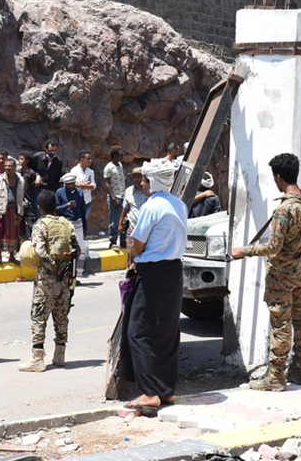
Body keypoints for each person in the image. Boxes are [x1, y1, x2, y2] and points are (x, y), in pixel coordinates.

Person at [232, 153, 301, 391]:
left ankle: (276, 376)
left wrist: (244, 250)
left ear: (278, 177)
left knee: (281, 324)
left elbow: (273, 247)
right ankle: (300, 369)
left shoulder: (284, 210)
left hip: (282, 276)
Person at [121, 158, 187, 417]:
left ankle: (149, 393)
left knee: (138, 331)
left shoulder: (152, 206)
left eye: (146, 180)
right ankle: (166, 389)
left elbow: (137, 245)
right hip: (173, 271)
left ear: (155, 181)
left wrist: (130, 245)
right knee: (167, 331)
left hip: (153, 274)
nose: (143, 184)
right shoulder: (178, 204)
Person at [18, 190, 80, 372]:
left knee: (38, 316)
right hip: (66, 279)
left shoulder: (40, 225)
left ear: (40, 208)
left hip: (47, 279)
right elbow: (77, 249)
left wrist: (52, 268)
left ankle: (37, 358)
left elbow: (39, 250)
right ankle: (60, 354)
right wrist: (65, 269)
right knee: (61, 316)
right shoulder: (66, 223)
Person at [0, 157, 24, 264]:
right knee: (0, 232)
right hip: (2, 211)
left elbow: (21, 195)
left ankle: (11, 256)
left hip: (15, 210)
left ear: (15, 167)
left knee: (13, 233)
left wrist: (20, 213)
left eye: (10, 166)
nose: (8, 168)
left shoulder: (20, 180)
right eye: (6, 166)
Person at [55, 173, 87, 276]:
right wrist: (66, 206)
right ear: (65, 184)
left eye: (72, 184)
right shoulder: (59, 193)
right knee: (66, 249)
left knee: (80, 249)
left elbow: (83, 211)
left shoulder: (80, 193)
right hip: (65, 223)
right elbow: (56, 209)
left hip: (78, 223)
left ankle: (77, 274)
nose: (70, 186)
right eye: (68, 184)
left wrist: (85, 227)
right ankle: (65, 273)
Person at [118, 167, 149, 267]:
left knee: (145, 255)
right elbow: (125, 208)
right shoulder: (129, 191)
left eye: (139, 177)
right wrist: (120, 223)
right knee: (132, 254)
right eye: (134, 177)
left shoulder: (149, 191)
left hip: (146, 230)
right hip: (132, 228)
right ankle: (132, 277)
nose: (136, 179)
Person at [31, 139, 63, 217]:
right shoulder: (37, 157)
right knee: (38, 213)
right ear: (45, 149)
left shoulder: (58, 161)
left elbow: (57, 178)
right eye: (50, 150)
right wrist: (37, 175)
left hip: (50, 191)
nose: (52, 153)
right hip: (38, 190)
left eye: (55, 150)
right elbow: (29, 170)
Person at [103, 146, 127, 249]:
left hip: (123, 196)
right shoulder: (109, 167)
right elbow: (106, 183)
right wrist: (113, 198)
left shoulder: (120, 165)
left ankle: (123, 240)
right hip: (115, 197)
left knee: (124, 220)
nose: (122, 156)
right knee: (114, 221)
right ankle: (113, 241)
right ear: (114, 155)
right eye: (120, 154)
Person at [70, 151, 95, 237]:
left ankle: (83, 236)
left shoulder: (90, 172)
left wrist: (82, 185)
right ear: (82, 159)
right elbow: (73, 184)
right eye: (88, 159)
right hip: (77, 200)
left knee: (85, 219)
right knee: (76, 219)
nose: (90, 161)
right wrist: (85, 185)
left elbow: (93, 185)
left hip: (87, 200)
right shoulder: (74, 171)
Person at [17, 152, 38, 240]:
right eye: (19, 159)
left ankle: (35, 240)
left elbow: (33, 186)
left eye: (22, 159)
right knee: (19, 223)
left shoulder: (31, 173)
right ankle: (23, 242)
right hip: (18, 201)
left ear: (27, 161)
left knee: (31, 223)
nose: (20, 161)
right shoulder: (17, 172)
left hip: (28, 201)